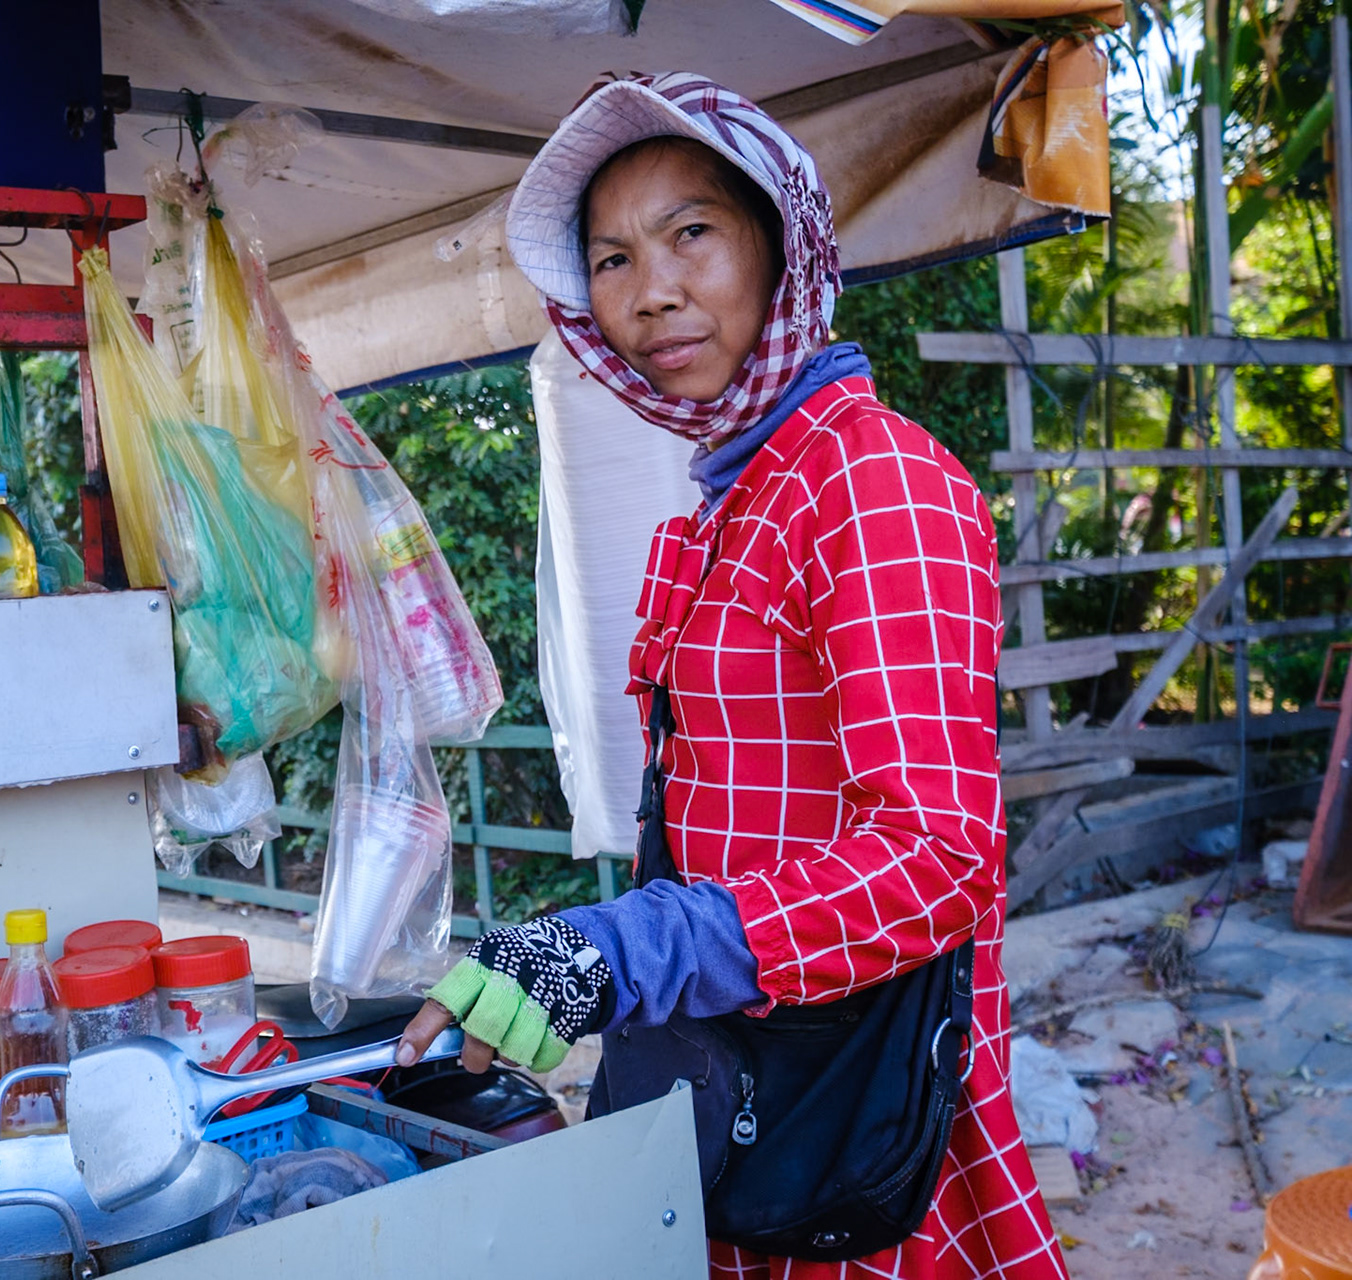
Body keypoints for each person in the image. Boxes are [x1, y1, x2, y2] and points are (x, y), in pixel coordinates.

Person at [396, 73, 1070, 1280]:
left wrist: (626, 950)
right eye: (609, 258)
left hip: (864, 1105)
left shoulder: (872, 483)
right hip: (746, 1080)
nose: (651, 291)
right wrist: (603, 956)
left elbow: (941, 854)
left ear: (780, 240)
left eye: (690, 232)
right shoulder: (720, 508)